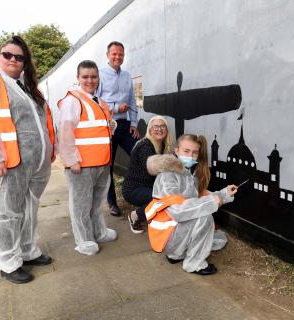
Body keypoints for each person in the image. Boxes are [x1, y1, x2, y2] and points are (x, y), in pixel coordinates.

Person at [0, 36, 56, 284]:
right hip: (6, 166)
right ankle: (7, 261)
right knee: (6, 214)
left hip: (34, 165)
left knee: (29, 209)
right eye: (8, 55)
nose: (13, 60)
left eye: (19, 57)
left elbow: (41, 124)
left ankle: (27, 251)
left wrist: (50, 150)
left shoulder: (24, 87)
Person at [146, 134, 238, 275]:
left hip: (173, 233)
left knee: (202, 214)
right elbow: (178, 211)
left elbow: (200, 195)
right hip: (166, 237)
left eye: (195, 152)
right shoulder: (167, 176)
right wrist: (211, 202)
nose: (191, 156)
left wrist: (224, 194)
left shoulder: (186, 173)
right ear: (176, 151)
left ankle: (176, 255)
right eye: (186, 151)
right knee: (204, 216)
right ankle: (194, 264)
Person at [57, 60, 118, 256]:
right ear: (78, 78)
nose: (90, 80)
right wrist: (71, 160)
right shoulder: (72, 100)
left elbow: (101, 128)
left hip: (102, 162)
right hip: (81, 165)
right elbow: (65, 132)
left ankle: (99, 231)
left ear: (98, 78)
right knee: (81, 204)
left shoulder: (100, 102)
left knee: (97, 202)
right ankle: (84, 240)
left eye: (93, 77)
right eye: (85, 77)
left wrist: (111, 126)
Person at [97, 41, 139, 217]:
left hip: (124, 125)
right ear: (107, 55)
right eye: (114, 54)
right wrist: (114, 107)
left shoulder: (127, 76)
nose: (118, 57)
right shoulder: (99, 75)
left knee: (140, 154)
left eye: (121, 54)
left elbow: (132, 101)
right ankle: (112, 202)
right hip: (107, 126)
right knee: (109, 165)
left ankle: (140, 193)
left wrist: (134, 124)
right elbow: (96, 100)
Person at [122, 116, 173, 233]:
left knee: (167, 196)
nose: (159, 129)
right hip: (133, 189)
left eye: (162, 126)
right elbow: (155, 170)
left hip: (148, 187)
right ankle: (135, 216)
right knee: (163, 198)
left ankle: (147, 211)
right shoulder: (145, 146)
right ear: (149, 130)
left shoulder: (162, 146)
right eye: (156, 126)